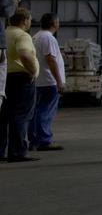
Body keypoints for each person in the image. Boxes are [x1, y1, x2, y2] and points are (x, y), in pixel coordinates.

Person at [4, 8, 41, 163]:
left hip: (4, 78)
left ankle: (1, 150)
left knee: (3, 116)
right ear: (24, 20)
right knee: (21, 115)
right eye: (30, 19)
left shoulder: (4, 33)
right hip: (21, 79)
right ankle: (18, 151)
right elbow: (24, 54)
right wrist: (32, 71)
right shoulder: (22, 35)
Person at [30, 13, 66, 152]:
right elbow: (51, 59)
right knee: (45, 112)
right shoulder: (48, 38)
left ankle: (34, 140)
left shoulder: (35, 37)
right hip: (49, 81)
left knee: (36, 111)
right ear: (55, 23)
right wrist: (59, 81)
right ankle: (44, 140)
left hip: (39, 80)